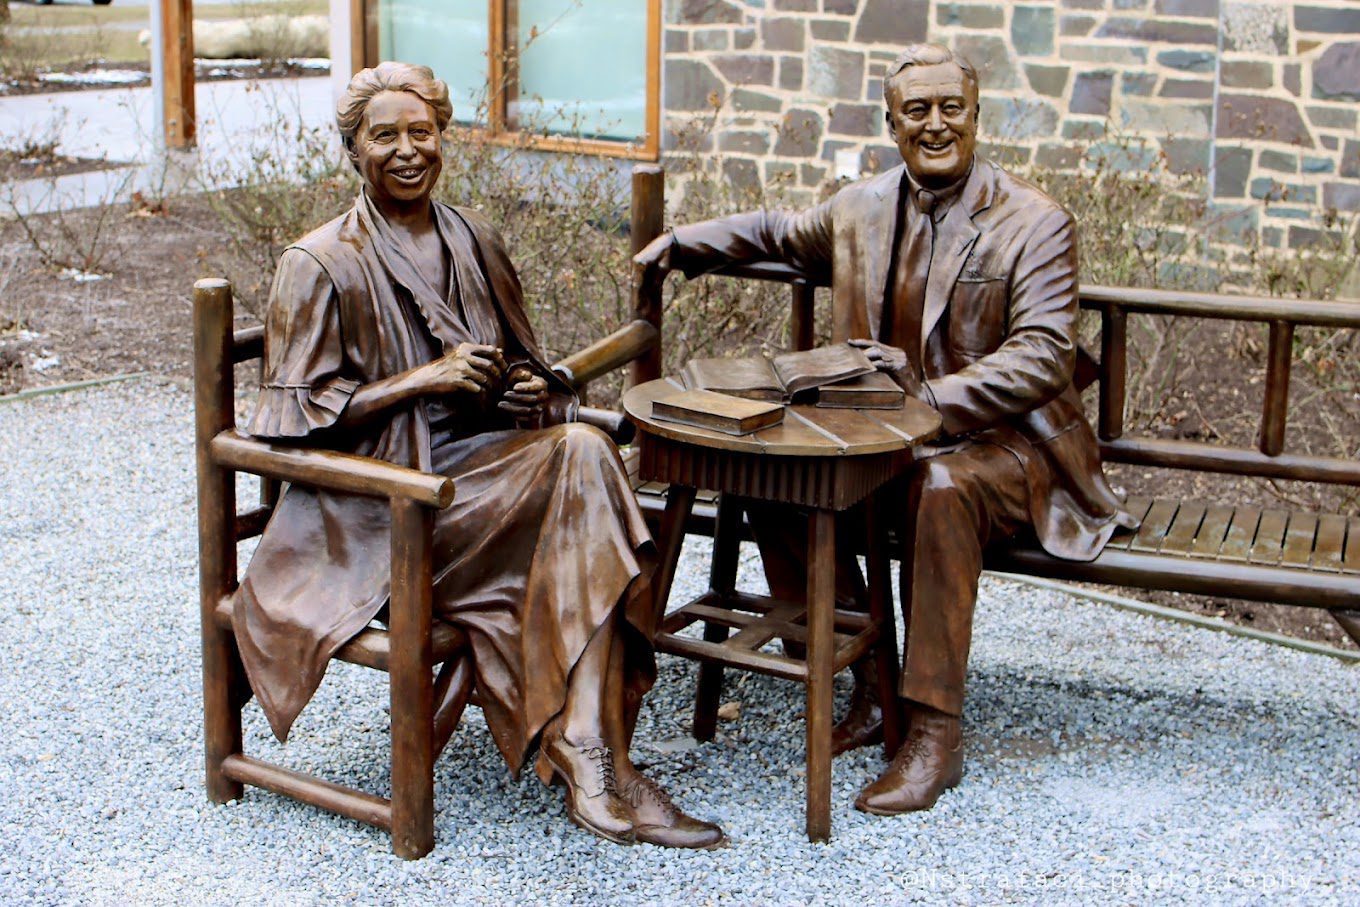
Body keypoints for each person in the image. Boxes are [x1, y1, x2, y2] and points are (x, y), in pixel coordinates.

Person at [634, 44, 1137, 815]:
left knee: (942, 488)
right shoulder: (861, 207)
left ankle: (935, 730)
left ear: (975, 116)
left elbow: (1042, 357)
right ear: (892, 123)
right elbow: (777, 229)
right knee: (773, 475)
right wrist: (686, 243)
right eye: (917, 112)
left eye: (951, 109)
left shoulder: (1036, 222)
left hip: (1004, 445)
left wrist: (928, 402)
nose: (936, 126)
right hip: (882, 438)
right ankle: (871, 688)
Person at [233, 62, 723, 849]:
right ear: (352, 150)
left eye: (420, 131)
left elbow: (530, 367)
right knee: (587, 475)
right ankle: (599, 759)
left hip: (484, 480)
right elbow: (291, 425)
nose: (405, 150)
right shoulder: (318, 262)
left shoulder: (474, 239)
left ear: (443, 138)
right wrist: (416, 380)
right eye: (383, 135)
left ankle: (594, 751)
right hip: (380, 511)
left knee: (583, 454)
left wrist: (526, 395)